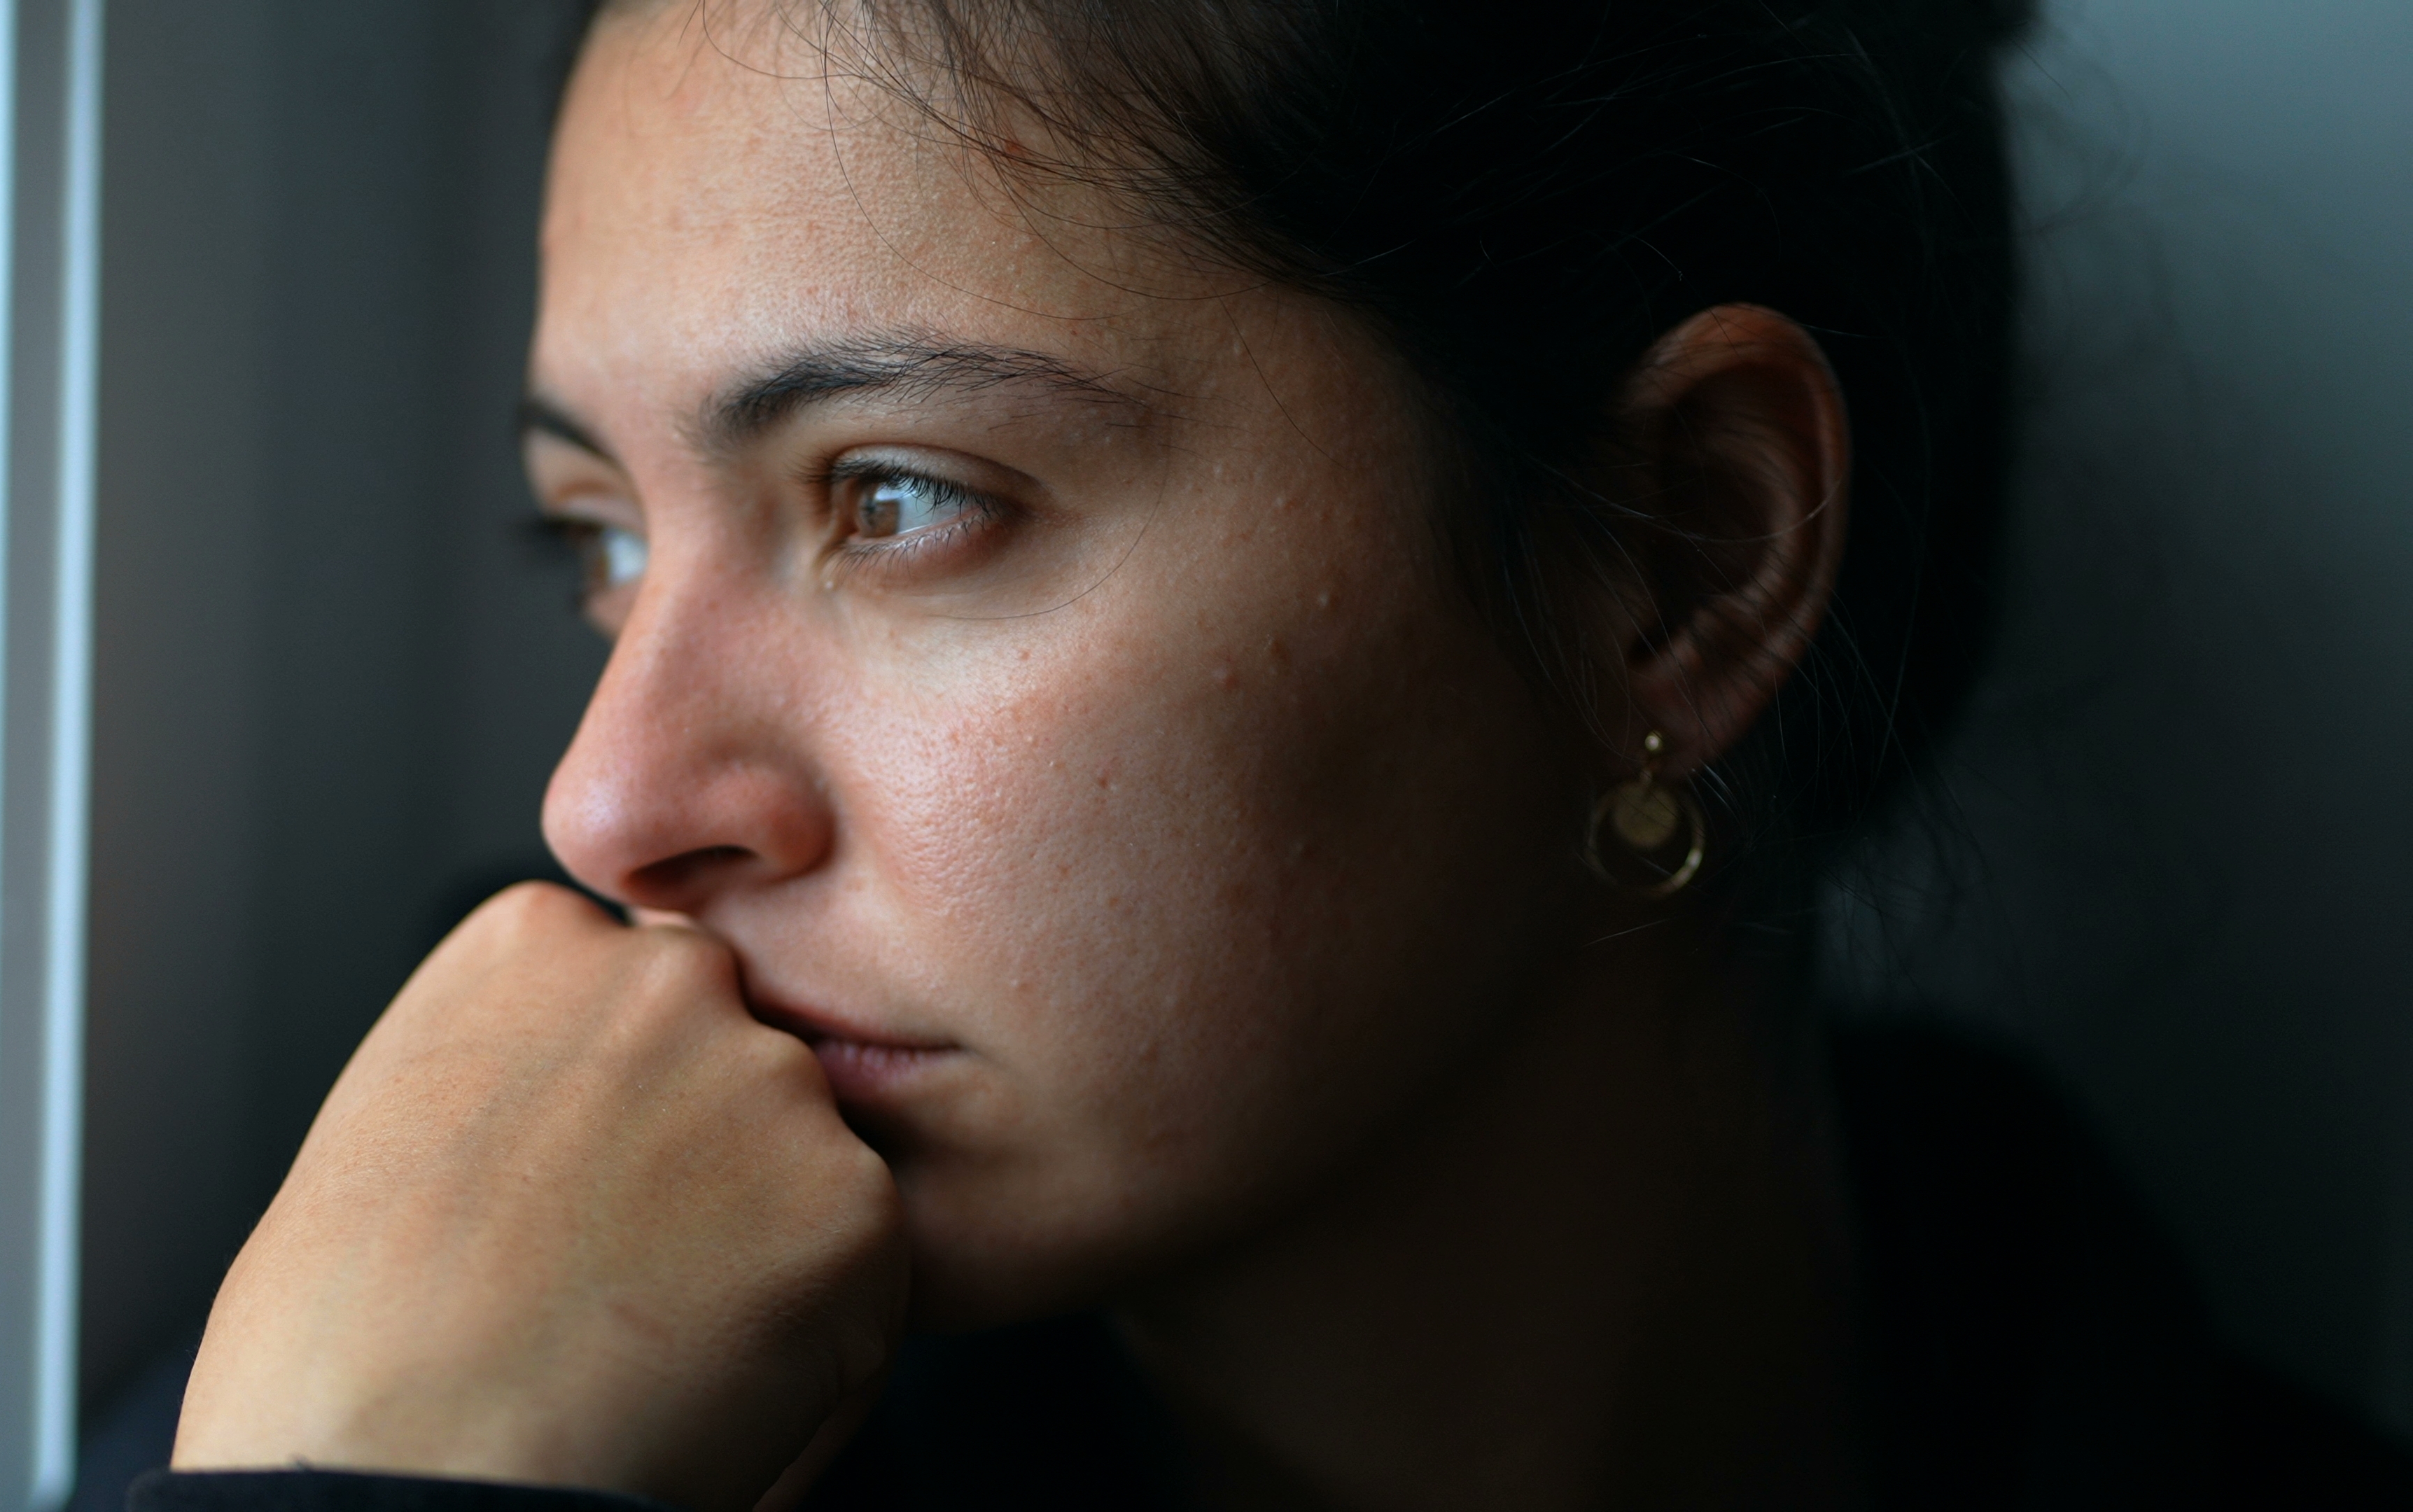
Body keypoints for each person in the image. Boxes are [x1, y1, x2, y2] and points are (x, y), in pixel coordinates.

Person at [130, 1, 2413, 1508]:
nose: (607, 809)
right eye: (600, 541)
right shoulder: (432, 1388)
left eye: (899, 497)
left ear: (1682, 560)